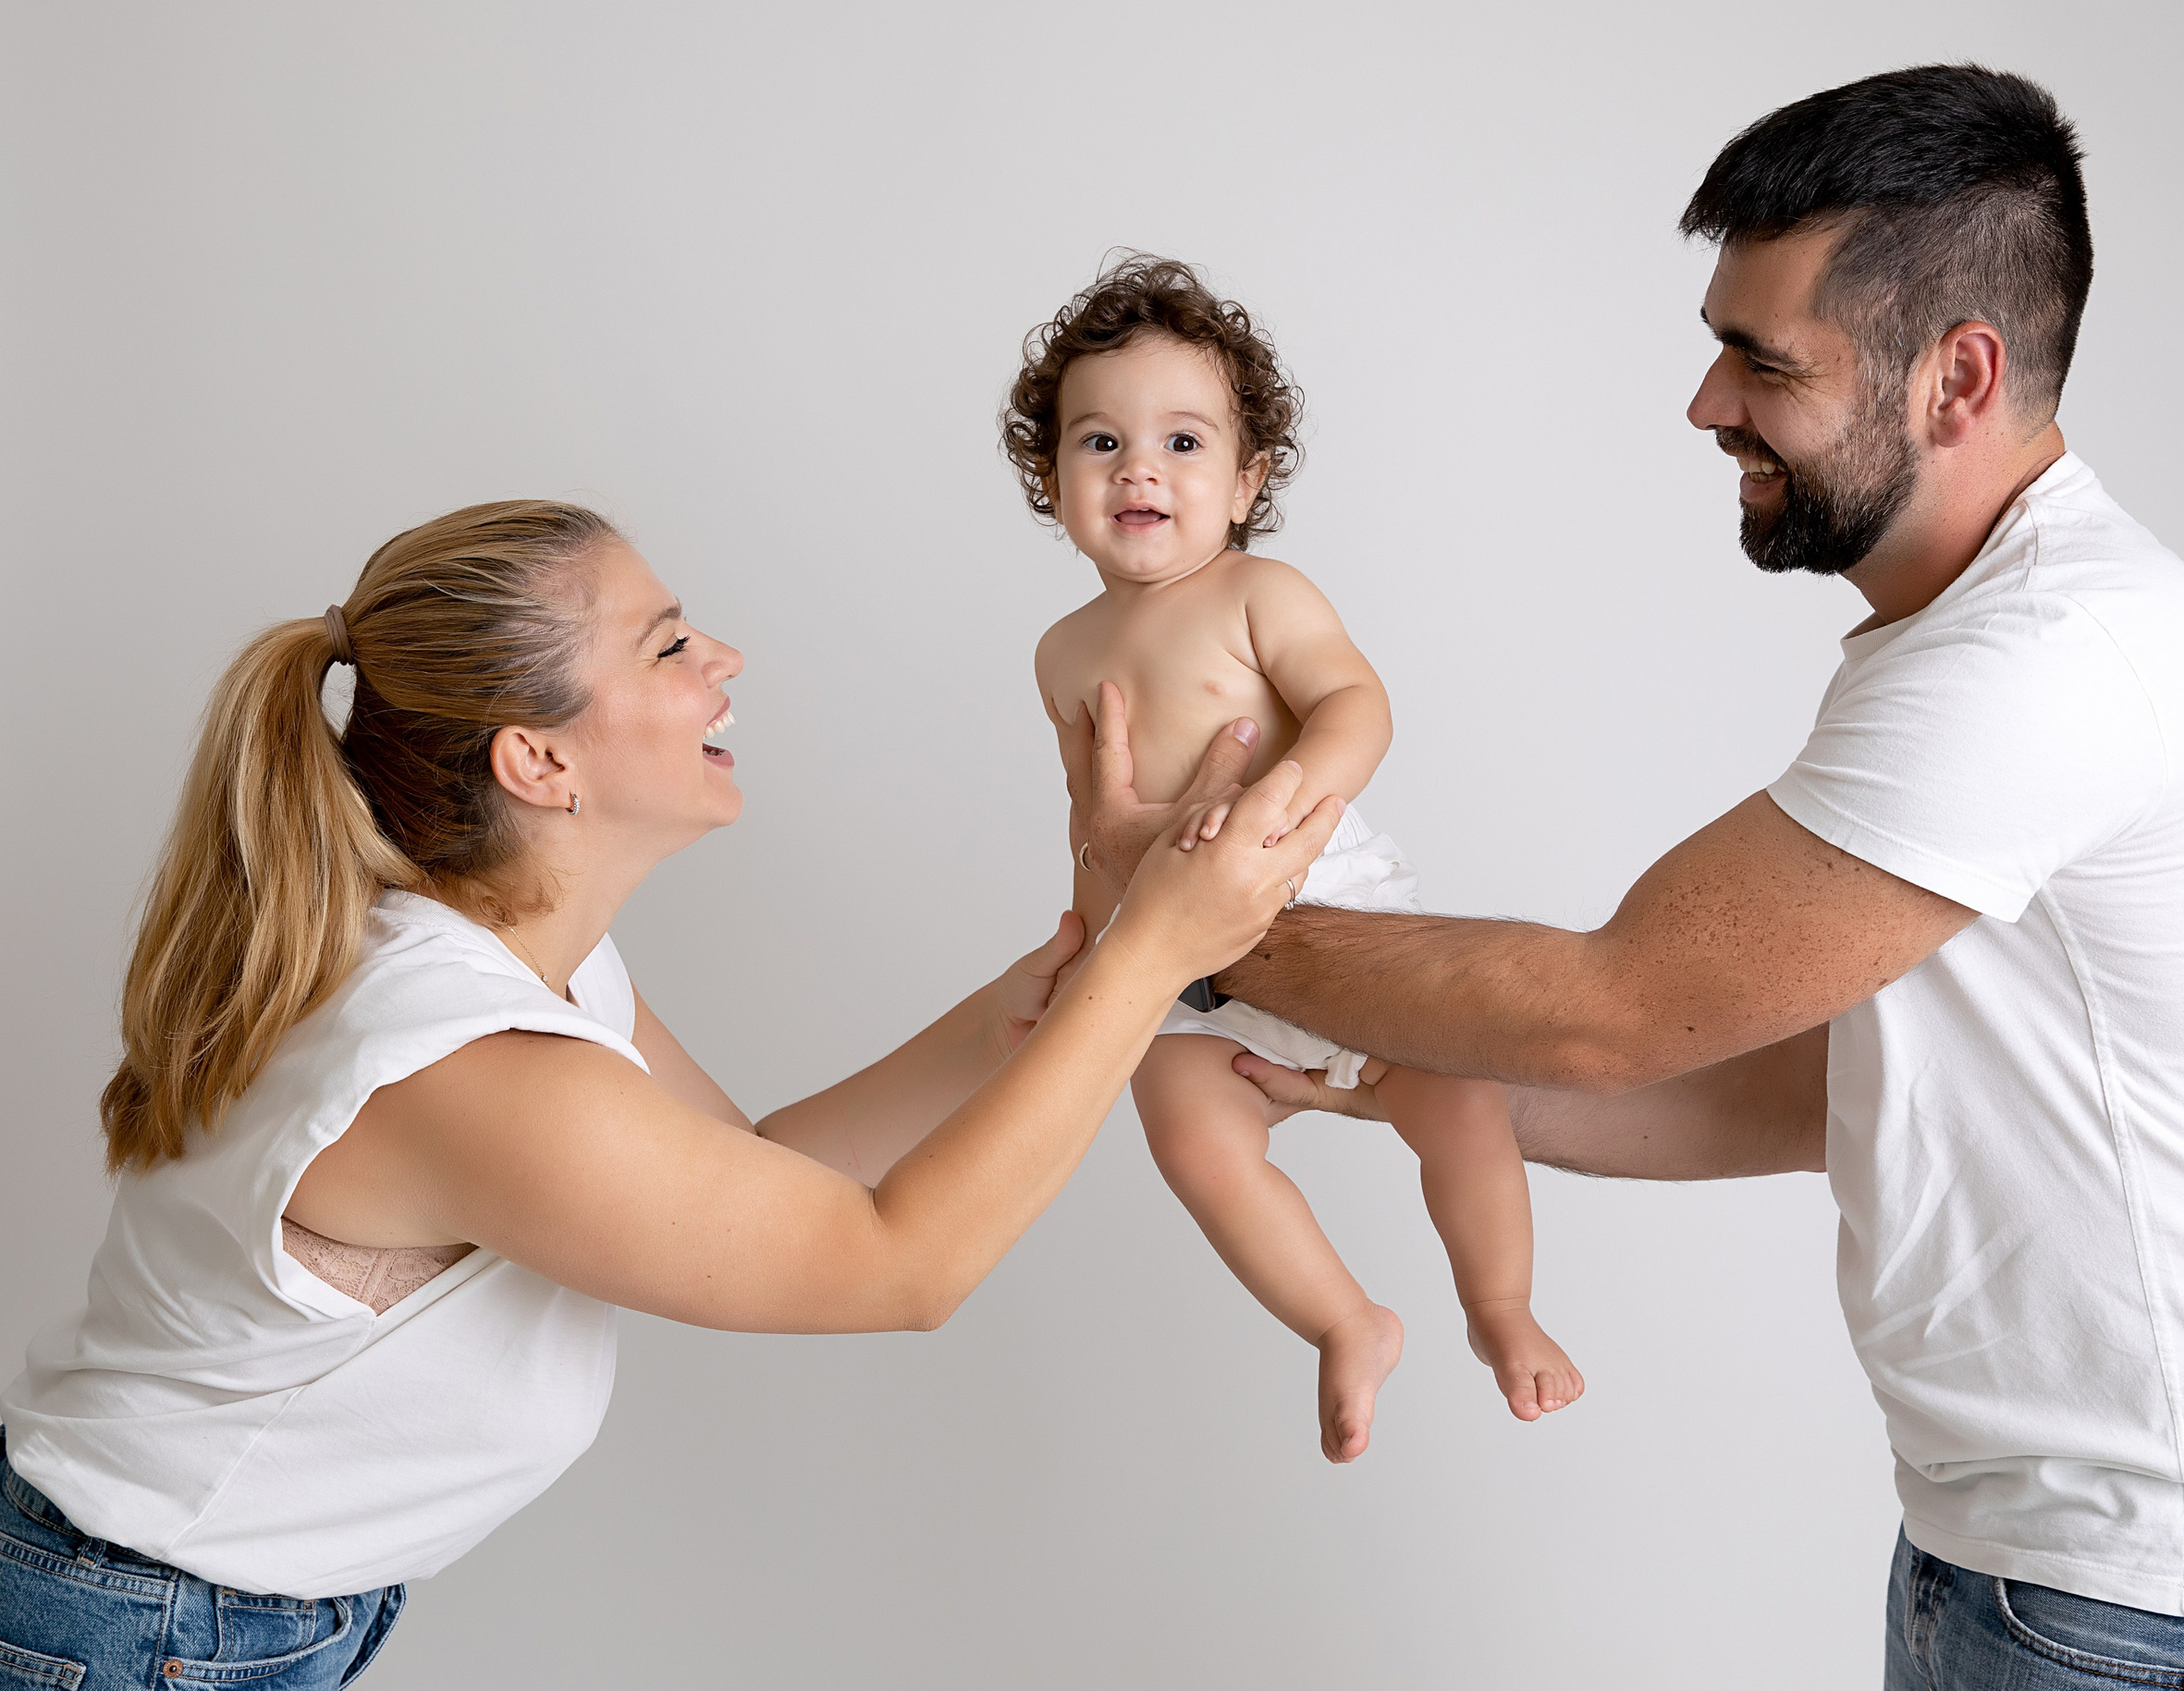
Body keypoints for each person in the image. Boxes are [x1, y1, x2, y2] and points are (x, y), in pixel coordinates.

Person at [1064, 66, 2184, 1688]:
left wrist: (1181, 926)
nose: (1704, 402)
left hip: (2160, 1608)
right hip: (2035, 1565)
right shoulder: (1969, 635)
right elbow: (1838, 1081)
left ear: (1957, 377)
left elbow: (1621, 1008)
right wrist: (1414, 1074)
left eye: (1764, 361)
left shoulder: (2041, 660)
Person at [0, 500, 1332, 1687]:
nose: (724, 664)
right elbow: (899, 1266)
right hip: (140, 1628)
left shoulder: (511, 956)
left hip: (176, 1605)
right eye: (669, 643)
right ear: (539, 762)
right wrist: (1157, 948)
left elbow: (748, 1165)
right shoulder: (469, 1065)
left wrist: (1029, 1008)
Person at [1012, 257, 1581, 1464]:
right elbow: (1092, 815)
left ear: (1248, 477)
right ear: (1049, 474)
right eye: (1098, 441)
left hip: (1326, 898)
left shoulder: (1259, 590)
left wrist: (1284, 795)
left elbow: (1358, 705)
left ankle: (1501, 1304)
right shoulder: (1064, 649)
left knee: (1455, 1096)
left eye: (1181, 439)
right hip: (1185, 954)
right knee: (1183, 1124)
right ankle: (1345, 1318)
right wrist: (1090, 952)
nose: (1139, 470)